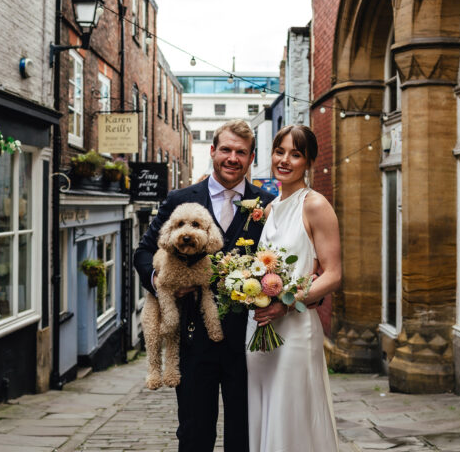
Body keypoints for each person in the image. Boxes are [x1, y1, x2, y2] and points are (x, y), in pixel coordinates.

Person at [134, 119, 275, 452]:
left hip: (248, 342)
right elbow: (143, 252)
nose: (232, 157)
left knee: (245, 434)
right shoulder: (181, 200)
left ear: (251, 158)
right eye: (225, 149)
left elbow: (278, 258)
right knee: (194, 433)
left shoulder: (266, 204)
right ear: (212, 151)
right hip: (193, 337)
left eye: (241, 152)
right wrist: (162, 283)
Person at [247, 125, 341, 451]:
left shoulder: (315, 205)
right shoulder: (270, 208)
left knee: (292, 414)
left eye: (296, 154)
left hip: (296, 328)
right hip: (260, 330)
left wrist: (285, 304)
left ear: (309, 162)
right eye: (280, 151)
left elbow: (333, 274)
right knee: (263, 410)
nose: (285, 160)